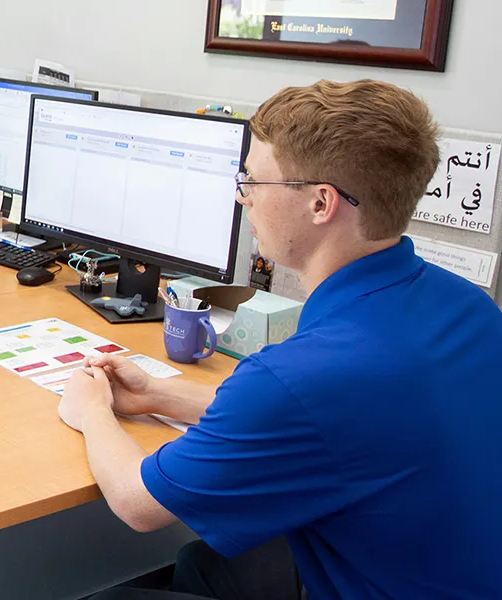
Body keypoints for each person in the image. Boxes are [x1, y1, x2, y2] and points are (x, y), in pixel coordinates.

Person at [58, 79, 502, 600]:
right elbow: (335, 424)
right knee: (212, 560)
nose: (241, 196)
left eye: (252, 181)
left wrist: (92, 412)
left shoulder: (299, 377)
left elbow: (136, 503)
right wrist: (158, 394)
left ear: (321, 203)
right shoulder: (470, 308)